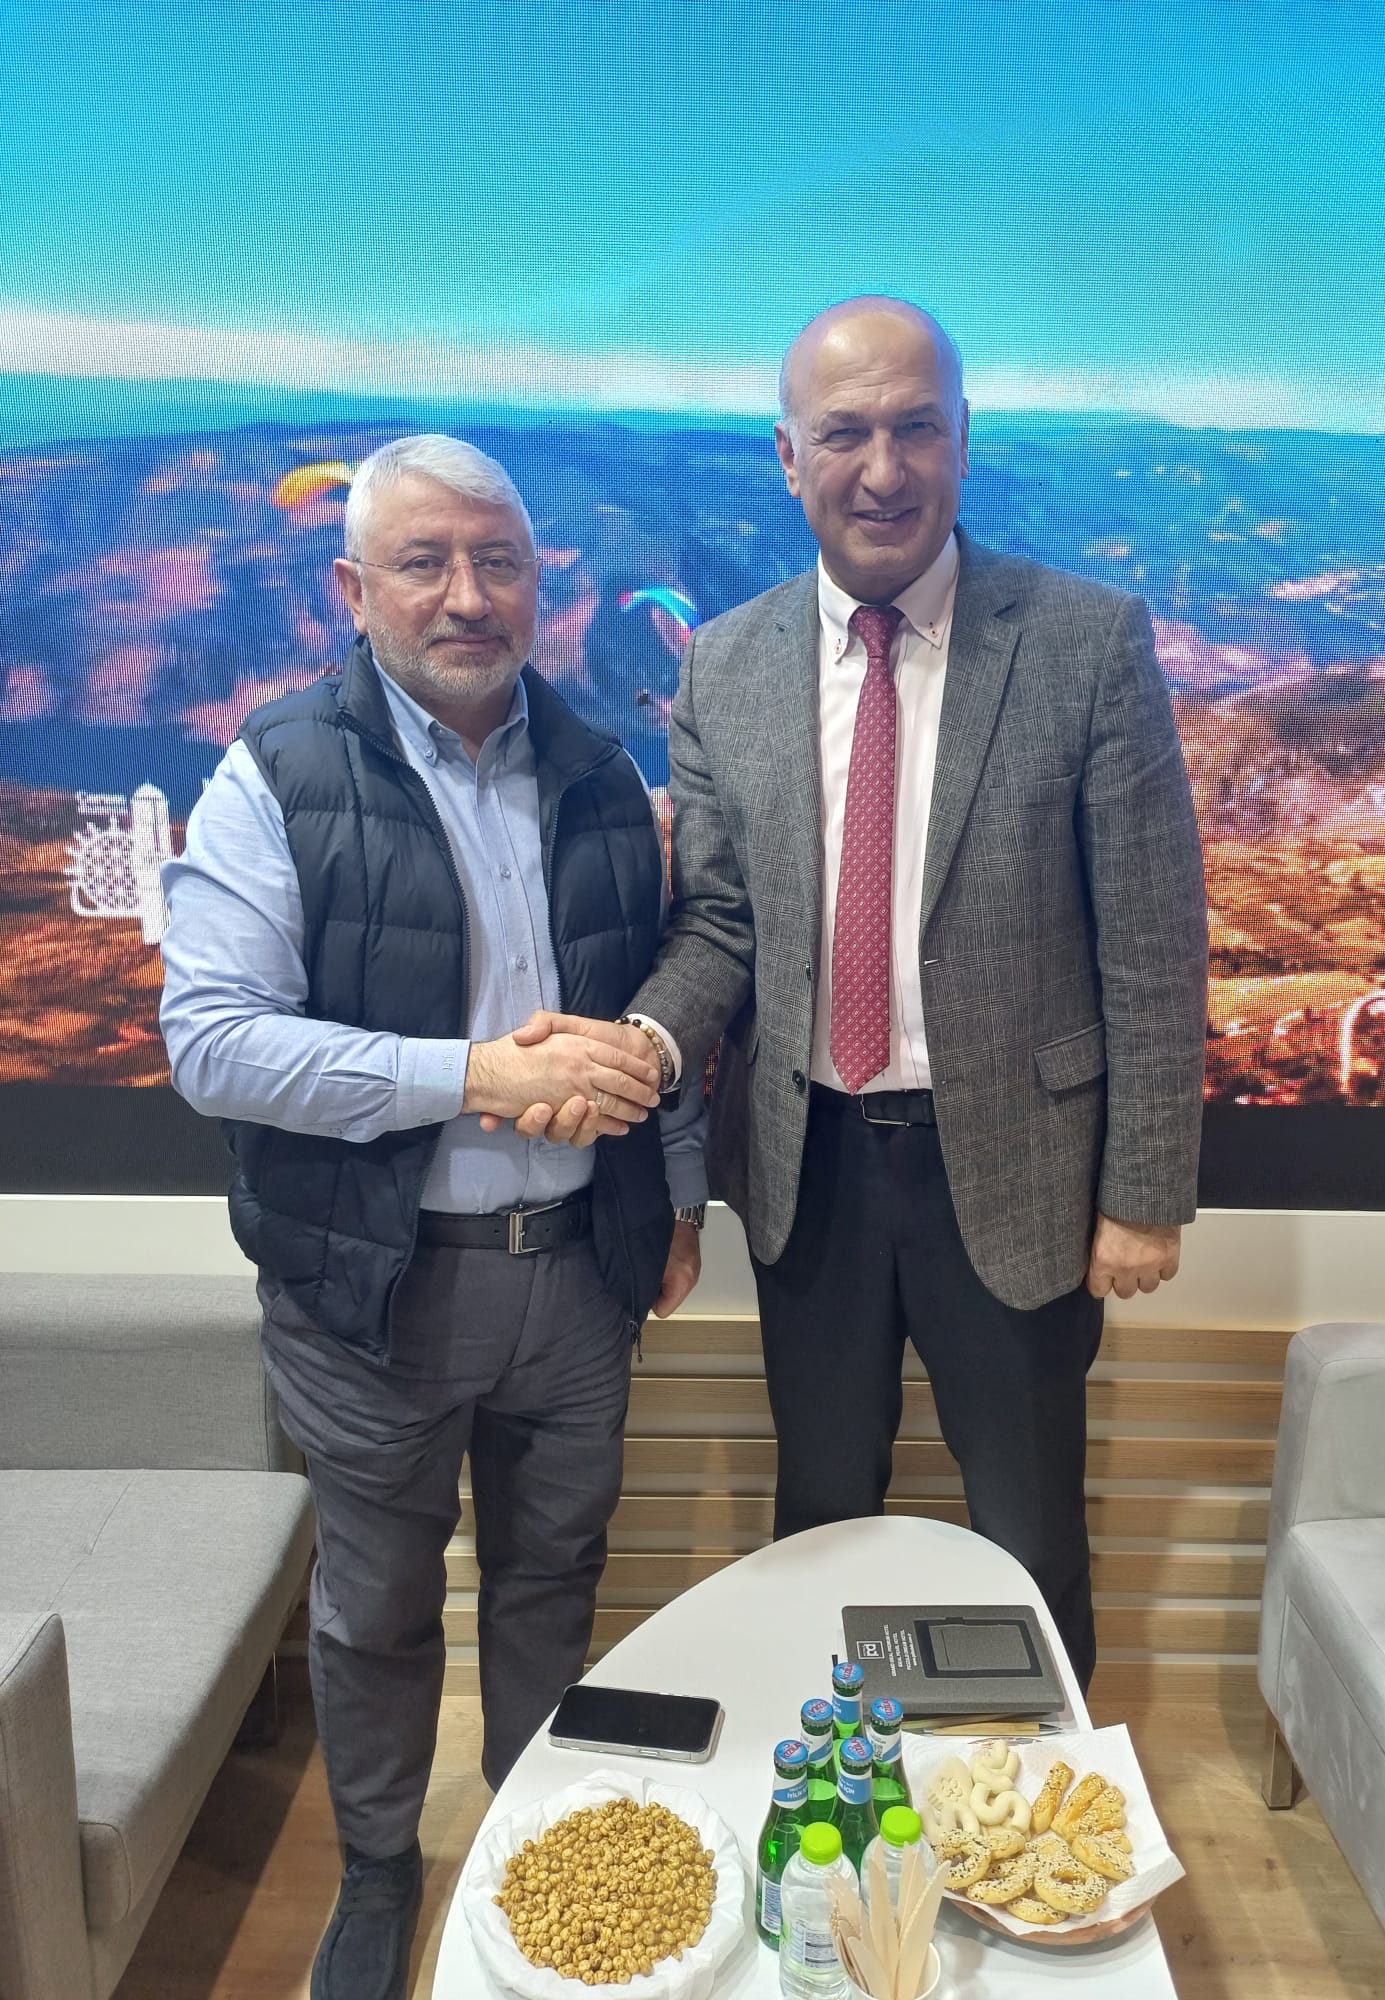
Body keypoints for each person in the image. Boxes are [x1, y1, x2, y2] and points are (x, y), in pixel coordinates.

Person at [520, 298, 1208, 1693]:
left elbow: (1152, 940)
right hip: (809, 1170)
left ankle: (1042, 1805)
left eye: (914, 428)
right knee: (822, 1523)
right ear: (789, 457)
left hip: (1018, 1170)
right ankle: (836, 1790)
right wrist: (646, 1043)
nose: (882, 470)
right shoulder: (727, 664)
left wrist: (1145, 1193)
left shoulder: (1084, 644)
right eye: (845, 433)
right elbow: (722, 920)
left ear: (964, 440)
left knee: (1028, 1539)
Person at [159, 435, 706, 2000]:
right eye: (424, 562)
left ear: (539, 585)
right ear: (354, 589)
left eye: (498, 563)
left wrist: (676, 1196)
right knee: (377, 1610)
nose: (467, 596)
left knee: (553, 1580)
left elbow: (649, 1016)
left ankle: (534, 1848)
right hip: (373, 1293)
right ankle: (381, 1868)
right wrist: (468, 1076)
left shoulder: (603, 775)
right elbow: (213, 1044)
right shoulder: (275, 773)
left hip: (577, 1281)